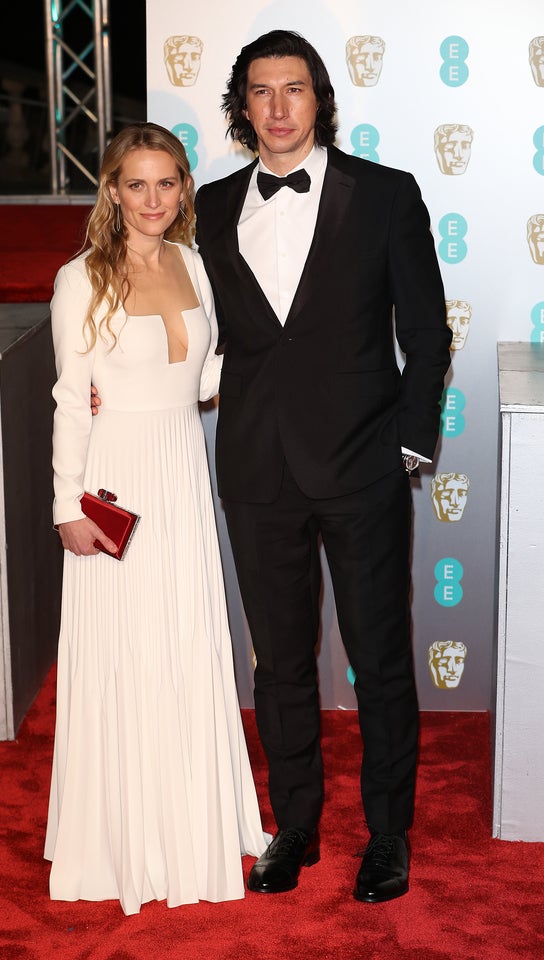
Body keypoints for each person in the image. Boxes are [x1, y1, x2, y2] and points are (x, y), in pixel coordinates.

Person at [193, 30, 452, 903]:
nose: (276, 108)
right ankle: (294, 824)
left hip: (364, 465)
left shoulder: (385, 195)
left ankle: (387, 836)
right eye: (260, 92)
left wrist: (412, 441)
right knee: (279, 665)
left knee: (379, 658)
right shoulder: (210, 206)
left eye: (293, 89)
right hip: (258, 470)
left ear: (319, 98)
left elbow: (424, 329)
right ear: (241, 105)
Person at [44, 122, 267, 917]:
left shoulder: (197, 265)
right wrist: (68, 505)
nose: (152, 200)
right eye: (134, 184)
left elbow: (203, 379)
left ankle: (195, 817)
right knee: (127, 647)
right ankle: (125, 837)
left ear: (183, 189)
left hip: (179, 474)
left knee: (184, 640)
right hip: (116, 482)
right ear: (110, 191)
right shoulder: (82, 279)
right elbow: (72, 398)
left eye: (166, 183)